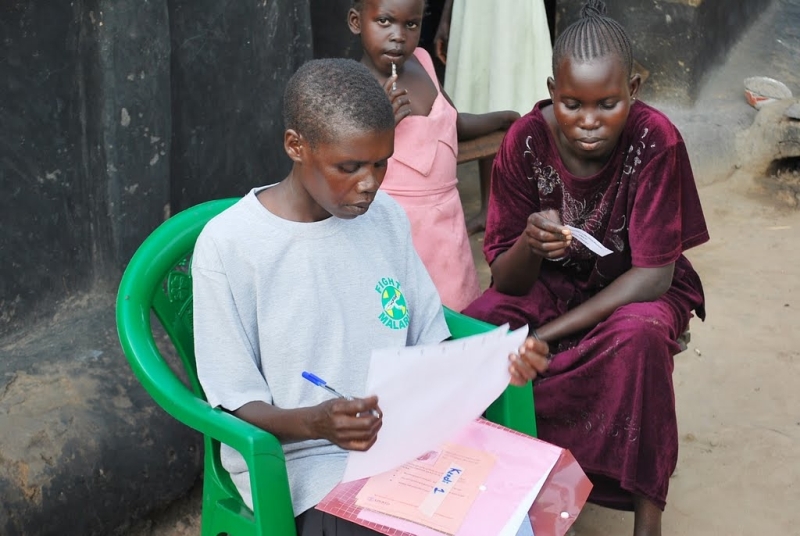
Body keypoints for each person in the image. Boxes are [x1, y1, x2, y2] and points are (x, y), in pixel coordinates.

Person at [191, 58, 549, 536]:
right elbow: (235, 403)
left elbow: (431, 342)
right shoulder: (231, 247)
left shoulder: (386, 219)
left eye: (381, 163)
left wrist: (495, 364)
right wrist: (318, 423)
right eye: (349, 167)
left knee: (513, 520)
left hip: (412, 445)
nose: (370, 183)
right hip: (306, 466)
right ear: (296, 146)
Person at [461, 2, 710, 535]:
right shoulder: (526, 141)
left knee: (639, 337)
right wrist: (530, 242)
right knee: (478, 334)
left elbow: (654, 276)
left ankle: (647, 516)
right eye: (572, 104)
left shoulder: (655, 140)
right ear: (552, 90)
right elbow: (508, 280)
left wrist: (544, 337)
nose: (589, 122)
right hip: (550, 284)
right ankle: (511, 488)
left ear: (634, 90)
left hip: (637, 286)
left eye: (608, 104)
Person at [348, 0, 520, 312]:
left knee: (456, 313)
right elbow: (347, 162)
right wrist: (380, 126)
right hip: (397, 231)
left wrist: (499, 119)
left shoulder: (424, 62)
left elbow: (453, 122)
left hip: (446, 226)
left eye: (411, 24)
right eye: (385, 21)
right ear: (356, 22)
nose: (398, 35)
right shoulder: (355, 87)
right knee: (405, 317)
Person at [434, 0, 554, 235]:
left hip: (515, 7)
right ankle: (490, 210)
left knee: (521, 91)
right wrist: (447, 14)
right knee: (482, 95)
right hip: (474, 8)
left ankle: (530, 208)